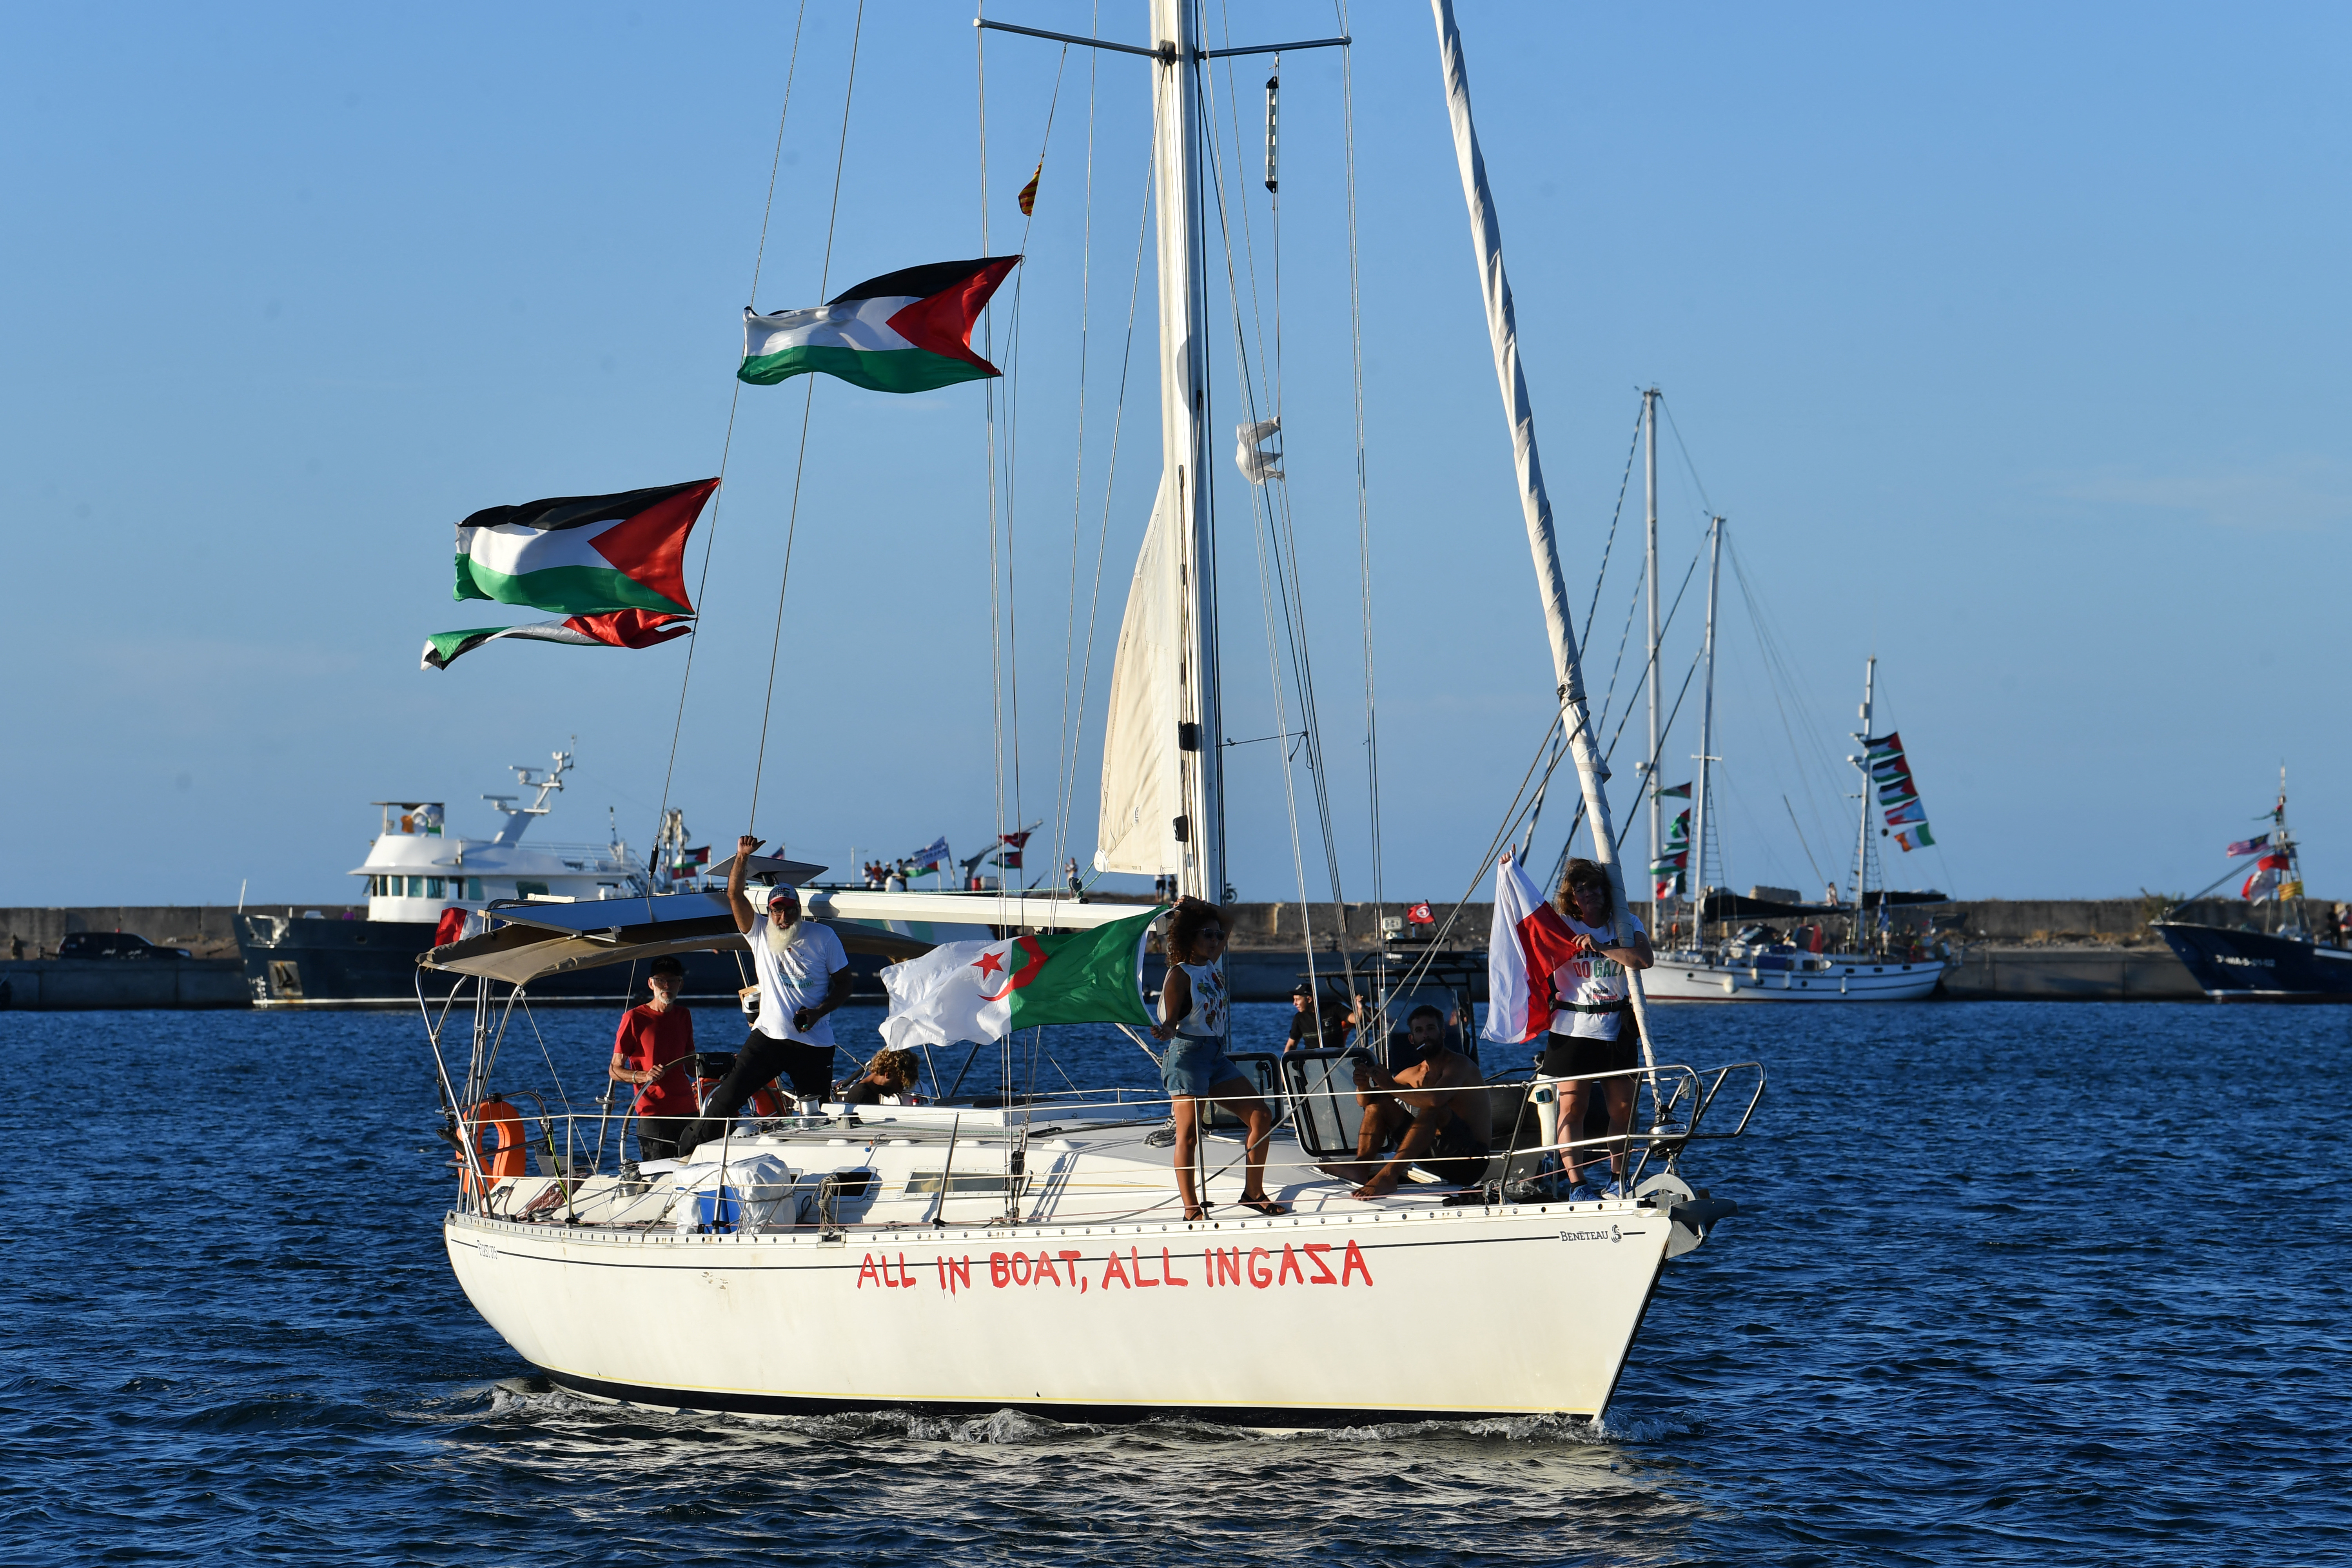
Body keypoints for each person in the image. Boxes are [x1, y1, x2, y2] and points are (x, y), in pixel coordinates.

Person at [671, 834, 855, 1157]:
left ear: (798, 910)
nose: (781, 917)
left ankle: (820, 1167)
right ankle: (690, 1156)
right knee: (726, 1099)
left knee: (818, 1115)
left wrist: (818, 1012)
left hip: (814, 1042)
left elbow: (844, 985)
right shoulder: (759, 931)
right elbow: (734, 894)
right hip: (769, 1037)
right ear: (769, 912)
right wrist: (742, 856)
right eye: (775, 910)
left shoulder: (824, 937)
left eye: (787, 910)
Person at [1152, 898, 1288, 1221]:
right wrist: (1165, 1031)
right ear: (1189, 937)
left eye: (1216, 936)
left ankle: (1253, 1193)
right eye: (1207, 935)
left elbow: (1228, 918)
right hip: (1187, 1058)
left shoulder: (1210, 963)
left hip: (1215, 1055)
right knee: (1188, 1135)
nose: (1215, 940)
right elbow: (1173, 1023)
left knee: (1261, 1117)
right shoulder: (1180, 975)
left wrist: (1197, 904)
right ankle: (1191, 1208)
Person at [1544, 857, 1655, 1195]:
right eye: (1581, 889)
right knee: (1572, 1106)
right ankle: (1577, 1183)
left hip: (1615, 1030)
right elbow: (1532, 948)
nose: (1589, 894)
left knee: (1622, 1108)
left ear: (1606, 892)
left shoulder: (1624, 924)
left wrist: (1603, 948)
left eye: (1594, 887)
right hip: (1572, 1027)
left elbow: (1643, 959)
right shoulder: (1562, 925)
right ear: (1572, 896)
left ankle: (1617, 1179)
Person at [1344, 1006, 1492, 1197]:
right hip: (1433, 1155)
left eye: (1431, 1029)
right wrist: (1363, 1085)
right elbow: (1365, 1102)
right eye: (1419, 1031)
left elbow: (1435, 1099)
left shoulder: (1460, 1065)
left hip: (1469, 1161)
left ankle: (1389, 1176)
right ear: (1412, 1039)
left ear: (1443, 1033)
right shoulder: (1413, 1073)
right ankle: (1361, 1168)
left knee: (1434, 1108)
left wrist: (1390, 1085)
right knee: (1378, 1104)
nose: (1426, 1035)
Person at [609, 955, 696, 1162]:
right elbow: (614, 1070)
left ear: (680, 984)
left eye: (673, 980)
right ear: (651, 984)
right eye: (661, 981)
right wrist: (643, 1075)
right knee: (660, 1175)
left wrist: (724, 1065)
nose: (667, 986)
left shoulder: (684, 1015)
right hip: (653, 1114)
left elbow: (692, 1067)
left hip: (688, 1111)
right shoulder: (634, 1018)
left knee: (695, 1173)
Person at [838, 1047, 921, 1106]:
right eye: (900, 1084)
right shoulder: (862, 1096)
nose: (900, 1091)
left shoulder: (867, 1093)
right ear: (888, 1074)